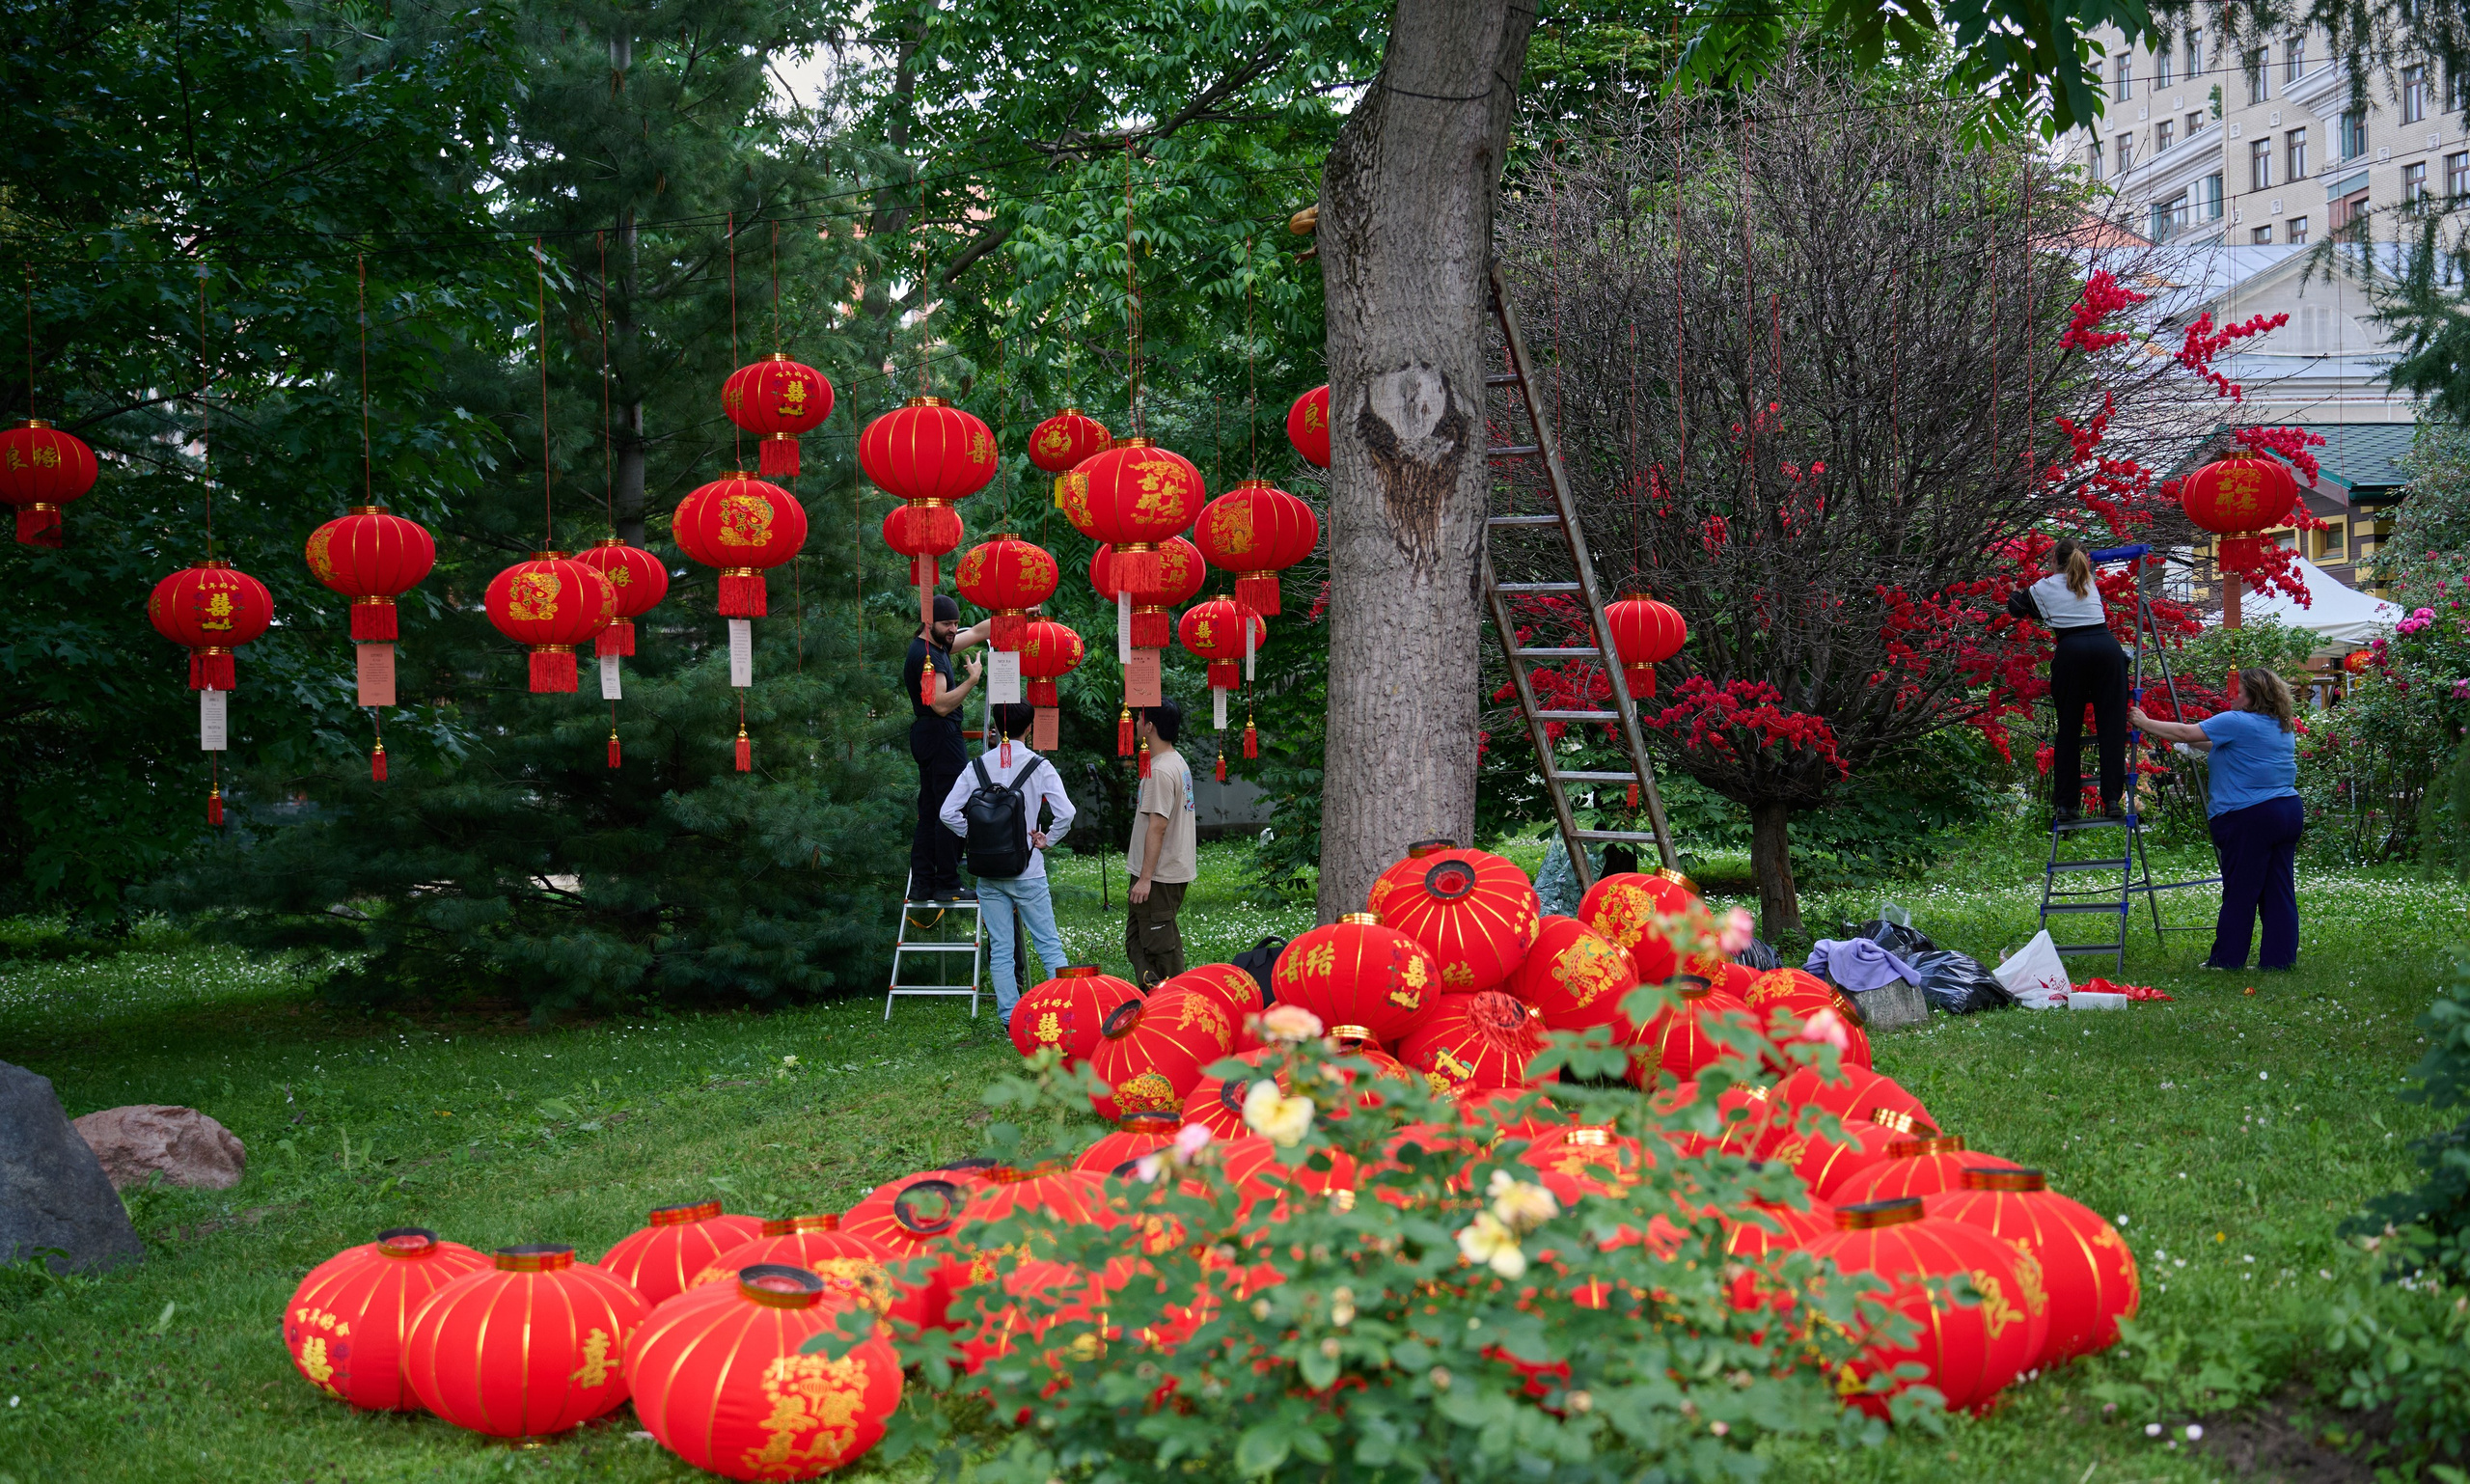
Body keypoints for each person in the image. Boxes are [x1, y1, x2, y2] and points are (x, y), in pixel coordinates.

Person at [2130, 669, 2303, 971]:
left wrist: (2144, 723)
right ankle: (2279, 961)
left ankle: (2226, 960)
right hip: (2287, 811)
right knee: (2279, 890)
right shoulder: (2280, 724)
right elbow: (2231, 748)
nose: (2232, 695)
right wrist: (2196, 745)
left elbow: (2185, 732)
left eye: (2238, 691)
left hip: (2251, 816)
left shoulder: (2235, 721)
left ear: (2253, 697)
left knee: (2241, 890)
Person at [938, 701, 1074, 1031]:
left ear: (996, 729)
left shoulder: (978, 766)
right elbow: (1066, 813)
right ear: (1029, 727)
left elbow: (947, 812)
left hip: (989, 873)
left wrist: (974, 834)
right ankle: (1069, 1011)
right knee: (1047, 942)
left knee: (1001, 948)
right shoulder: (1038, 766)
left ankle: (1011, 1020)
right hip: (1027, 869)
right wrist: (1047, 839)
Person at [2007, 537, 2127, 820]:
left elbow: (2018, 608)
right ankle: (2112, 800)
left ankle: (2067, 805)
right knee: (2111, 727)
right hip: (2106, 647)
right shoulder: (2090, 581)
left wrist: (2013, 591)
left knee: (2069, 728)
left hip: (2071, 650)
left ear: (2052, 561)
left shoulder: (2042, 587)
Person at [902, 594, 987, 903]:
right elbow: (939, 705)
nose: (953, 629)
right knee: (952, 809)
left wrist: (1016, 614)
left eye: (954, 622)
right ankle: (947, 882)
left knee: (930, 811)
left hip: (929, 736)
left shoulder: (935, 646)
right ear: (929, 623)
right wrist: (971, 681)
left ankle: (923, 884)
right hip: (941, 735)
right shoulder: (930, 657)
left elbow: (978, 632)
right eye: (947, 623)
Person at [1125, 699, 1196, 988]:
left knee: (1161, 948)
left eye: (1139, 719)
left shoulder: (1161, 770)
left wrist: (1145, 879)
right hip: (1159, 873)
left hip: (1158, 876)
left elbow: (1158, 826)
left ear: (1150, 726)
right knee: (1137, 940)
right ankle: (1151, 1000)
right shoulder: (1173, 762)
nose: (1134, 723)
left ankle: (1176, 1004)